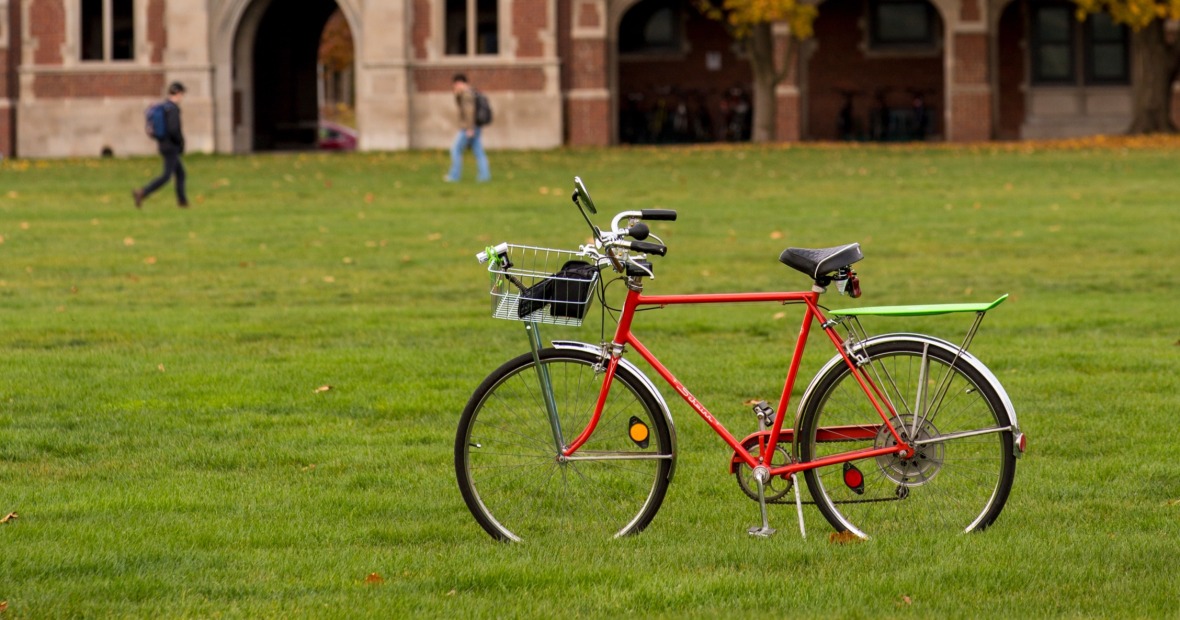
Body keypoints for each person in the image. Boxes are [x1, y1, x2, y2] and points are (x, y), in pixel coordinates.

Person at [133, 82, 188, 208]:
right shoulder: (173, 109)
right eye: (182, 94)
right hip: (171, 146)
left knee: (180, 173)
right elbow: (174, 129)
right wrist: (180, 142)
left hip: (164, 144)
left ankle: (182, 201)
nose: (182, 97)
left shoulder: (164, 107)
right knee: (166, 176)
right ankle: (142, 192)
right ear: (178, 93)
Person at [445, 74, 490, 183]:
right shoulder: (471, 93)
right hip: (475, 127)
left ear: (459, 83)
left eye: (456, 84)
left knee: (455, 150)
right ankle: (484, 176)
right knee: (478, 152)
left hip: (468, 128)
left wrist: (470, 128)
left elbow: (469, 112)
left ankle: (454, 176)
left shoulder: (466, 94)